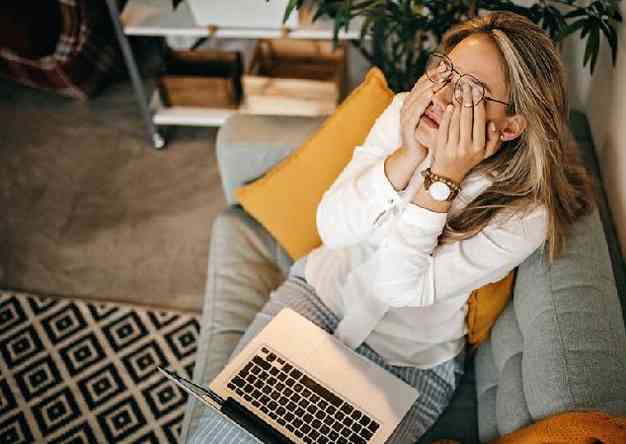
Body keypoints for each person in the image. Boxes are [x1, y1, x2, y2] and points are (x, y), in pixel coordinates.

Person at [182, 10, 596, 444]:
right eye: (446, 70)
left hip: (409, 361)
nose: (442, 95)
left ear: (511, 125)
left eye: (471, 90)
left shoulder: (523, 214)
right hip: (319, 298)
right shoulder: (404, 113)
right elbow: (331, 228)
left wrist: (443, 179)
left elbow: (395, 287)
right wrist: (407, 155)